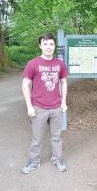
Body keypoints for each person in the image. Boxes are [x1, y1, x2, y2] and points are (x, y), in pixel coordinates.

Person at [21, 33, 68, 174]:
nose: (48, 47)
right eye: (45, 44)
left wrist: (64, 102)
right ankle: (34, 162)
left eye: (51, 44)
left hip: (56, 108)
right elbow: (25, 85)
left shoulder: (60, 64)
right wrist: (29, 106)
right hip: (38, 108)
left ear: (54, 46)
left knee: (57, 137)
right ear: (40, 46)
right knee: (37, 138)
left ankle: (57, 160)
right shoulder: (33, 63)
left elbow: (64, 82)